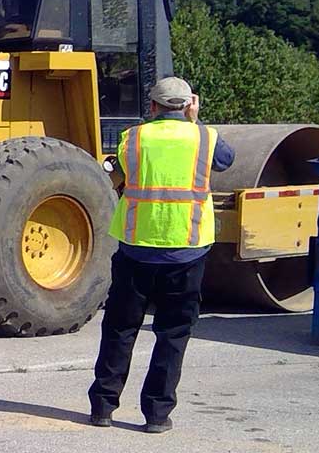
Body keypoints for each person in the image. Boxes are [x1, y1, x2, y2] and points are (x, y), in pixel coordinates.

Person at [86, 76, 234, 434]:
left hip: (136, 249)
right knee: (173, 334)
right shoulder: (204, 138)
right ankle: (156, 414)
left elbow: (118, 172)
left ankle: (103, 408)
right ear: (188, 106)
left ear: (152, 107)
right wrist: (196, 121)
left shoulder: (133, 139)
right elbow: (226, 161)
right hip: (186, 251)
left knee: (120, 329)